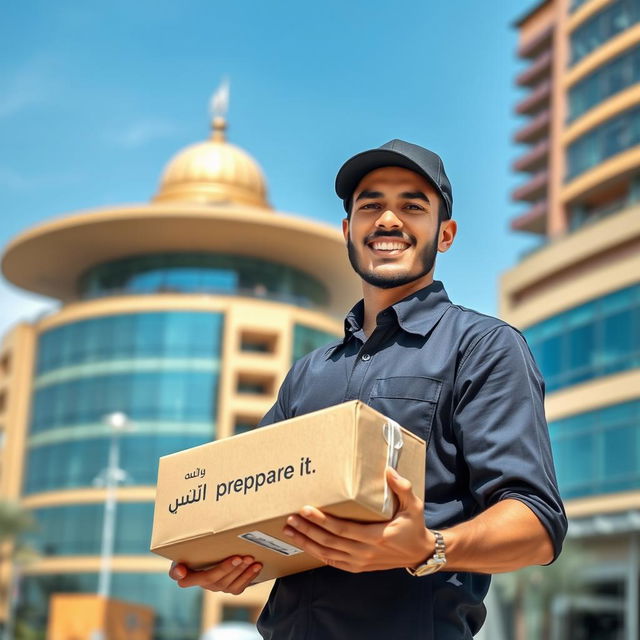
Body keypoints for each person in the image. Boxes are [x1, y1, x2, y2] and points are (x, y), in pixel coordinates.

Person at [169, 139, 568, 639]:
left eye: (412, 206)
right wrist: (223, 557)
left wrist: (428, 547)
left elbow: (536, 525)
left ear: (445, 234)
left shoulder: (484, 347)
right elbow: (254, 504)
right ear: (348, 230)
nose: (388, 220)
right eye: (371, 205)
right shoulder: (308, 374)